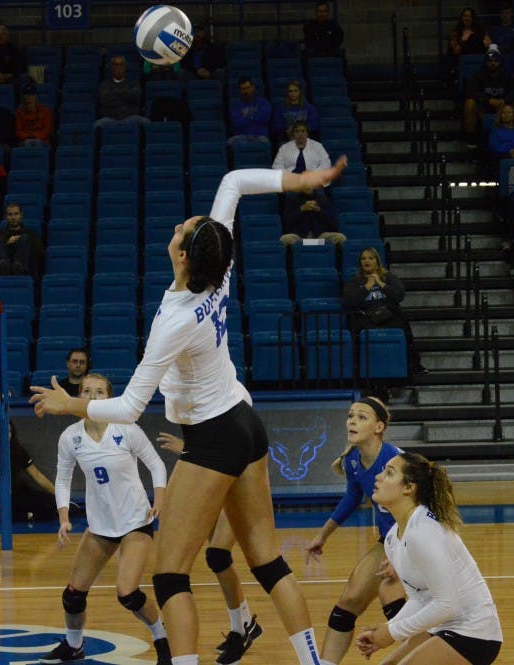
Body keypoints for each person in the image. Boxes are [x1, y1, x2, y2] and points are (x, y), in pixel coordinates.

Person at [30, 160, 349, 665]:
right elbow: (234, 183)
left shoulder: (175, 321)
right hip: (245, 422)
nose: (180, 224)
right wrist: (303, 181)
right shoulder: (218, 266)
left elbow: (131, 406)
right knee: (267, 562)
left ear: (182, 256)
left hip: (215, 436)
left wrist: (72, 403)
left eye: (182, 228)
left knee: (170, 575)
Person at [41, 373, 172, 665]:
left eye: (99, 391)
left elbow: (156, 464)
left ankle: (163, 639)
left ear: (109, 398)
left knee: (128, 593)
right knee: (72, 595)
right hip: (101, 525)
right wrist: (64, 517)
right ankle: (74, 646)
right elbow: (63, 479)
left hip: (135, 521)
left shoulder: (126, 428)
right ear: (78, 396)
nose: (92, 396)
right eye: (86, 390)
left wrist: (159, 499)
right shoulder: (70, 437)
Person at [354, 453, 503, 664]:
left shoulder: (423, 531)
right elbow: (420, 598)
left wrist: (392, 632)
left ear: (409, 488)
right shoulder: (393, 538)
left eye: (389, 473)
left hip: (475, 634)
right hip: (443, 627)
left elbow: (448, 604)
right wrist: (387, 630)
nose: (378, 477)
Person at [304, 398, 407, 665]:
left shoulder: (397, 462)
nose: (352, 421)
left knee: (394, 603)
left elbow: (422, 514)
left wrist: (402, 557)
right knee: (349, 600)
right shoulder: (352, 460)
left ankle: (431, 652)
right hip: (389, 541)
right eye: (351, 416)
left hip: (415, 542)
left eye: (362, 417)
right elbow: (352, 497)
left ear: (378, 427)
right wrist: (322, 535)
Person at [155, 432, 263, 664]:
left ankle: (241, 629)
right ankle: (244, 624)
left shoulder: (233, 413)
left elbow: (233, 446)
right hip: (212, 482)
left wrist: (186, 449)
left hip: (239, 480)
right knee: (211, 559)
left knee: (218, 555)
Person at [0, 355, 56, 521]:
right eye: (0, 431)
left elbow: (37, 476)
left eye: (8, 432)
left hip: (15, 496)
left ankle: (27, 514)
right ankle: (25, 516)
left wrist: (60, 497)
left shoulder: (17, 450)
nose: (5, 435)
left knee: (49, 503)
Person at [343, 246, 426, 377]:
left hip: (388, 315)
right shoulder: (355, 281)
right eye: (363, 259)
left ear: (377, 261)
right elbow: (350, 301)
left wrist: (381, 284)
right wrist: (367, 287)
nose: (367, 261)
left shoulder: (388, 277)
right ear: (360, 262)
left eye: (371, 258)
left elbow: (399, 295)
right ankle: (360, 371)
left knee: (402, 322)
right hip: (366, 317)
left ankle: (413, 365)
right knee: (356, 327)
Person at [463, 47, 514, 144]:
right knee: (469, 103)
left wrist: (504, 101)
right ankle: (471, 139)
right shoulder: (478, 74)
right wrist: (488, 100)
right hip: (484, 106)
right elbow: (470, 91)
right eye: (490, 61)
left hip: (503, 105)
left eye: (495, 61)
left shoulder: (508, 74)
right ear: (486, 62)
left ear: (500, 62)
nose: (493, 63)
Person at [96, 56, 149, 128]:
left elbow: (136, 98)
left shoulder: (133, 84)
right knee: (97, 125)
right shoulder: (104, 85)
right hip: (110, 118)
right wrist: (125, 94)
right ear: (112, 68)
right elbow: (104, 100)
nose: (118, 67)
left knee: (146, 122)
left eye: (121, 64)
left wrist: (114, 94)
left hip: (131, 118)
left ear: (125, 67)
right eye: (115, 65)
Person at [279, 190, 346, 247]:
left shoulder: (322, 199)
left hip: (320, 237)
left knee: (340, 238)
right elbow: (286, 222)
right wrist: (301, 209)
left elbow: (333, 222)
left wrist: (319, 210)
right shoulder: (292, 199)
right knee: (284, 239)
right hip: (300, 238)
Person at [0, 201, 44, 278]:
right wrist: (7, 243)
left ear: (21, 215)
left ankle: (19, 266)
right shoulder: (1, 235)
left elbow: (40, 251)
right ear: (6, 217)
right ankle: (5, 267)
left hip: (24, 272)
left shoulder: (30, 234)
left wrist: (21, 242)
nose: (13, 217)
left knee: (25, 238)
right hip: (3, 271)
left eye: (16, 214)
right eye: (10, 214)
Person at [228, 76, 272, 145]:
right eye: (243, 89)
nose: (246, 91)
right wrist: (255, 117)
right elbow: (237, 123)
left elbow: (264, 119)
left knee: (265, 141)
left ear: (253, 87)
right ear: (239, 90)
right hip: (241, 136)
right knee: (230, 142)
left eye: (248, 88)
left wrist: (246, 117)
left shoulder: (263, 102)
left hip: (259, 136)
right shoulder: (235, 105)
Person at [15, 81, 54, 146]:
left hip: (42, 140)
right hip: (25, 140)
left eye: (32, 94)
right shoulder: (19, 113)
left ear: (36, 96)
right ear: (23, 96)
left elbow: (47, 131)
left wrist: (34, 136)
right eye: (27, 94)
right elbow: (18, 131)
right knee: (28, 143)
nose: (29, 97)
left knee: (36, 142)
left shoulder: (46, 111)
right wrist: (29, 137)